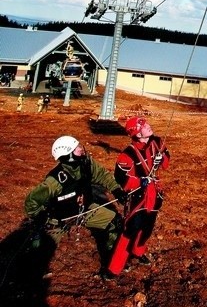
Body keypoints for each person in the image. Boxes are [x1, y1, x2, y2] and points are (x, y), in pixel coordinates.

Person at [24, 136, 127, 276]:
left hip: (84, 210)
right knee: (41, 252)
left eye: (79, 146)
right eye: (77, 148)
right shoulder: (54, 181)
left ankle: (111, 262)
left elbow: (102, 175)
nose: (81, 149)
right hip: (58, 219)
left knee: (115, 223)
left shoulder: (86, 164)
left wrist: (116, 189)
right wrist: (40, 216)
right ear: (68, 156)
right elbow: (32, 201)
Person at [107, 117, 170, 279]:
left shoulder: (156, 141)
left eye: (147, 124)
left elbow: (166, 159)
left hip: (154, 194)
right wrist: (140, 181)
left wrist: (161, 158)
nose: (149, 126)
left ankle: (138, 251)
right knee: (130, 230)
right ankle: (114, 268)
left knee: (148, 227)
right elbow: (121, 178)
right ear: (137, 133)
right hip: (138, 196)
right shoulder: (127, 154)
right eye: (144, 126)